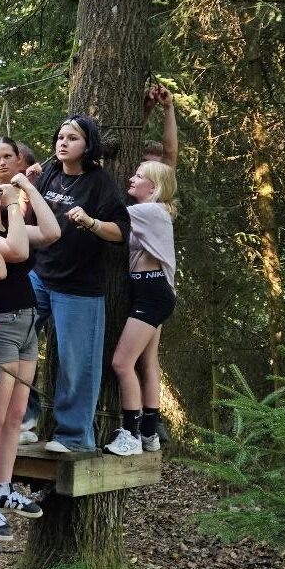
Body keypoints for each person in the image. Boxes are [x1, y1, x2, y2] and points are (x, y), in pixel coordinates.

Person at [30, 115, 131, 453]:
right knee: (14, 341)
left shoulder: (99, 182)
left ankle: (73, 437)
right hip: (40, 275)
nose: (63, 143)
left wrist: (91, 222)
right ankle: (23, 421)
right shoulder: (49, 173)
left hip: (79, 286)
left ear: (88, 145)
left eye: (72, 138)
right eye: (60, 136)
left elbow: (121, 232)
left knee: (77, 363)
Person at [0, 169, 60, 538]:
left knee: (15, 415)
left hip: (26, 323)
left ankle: (2, 488)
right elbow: (19, 253)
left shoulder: (10, 223)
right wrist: (8, 200)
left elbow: (52, 233)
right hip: (0, 325)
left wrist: (24, 187)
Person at [104, 161, 178, 456]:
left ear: (154, 187)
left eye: (138, 176)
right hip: (148, 290)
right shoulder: (148, 214)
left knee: (122, 363)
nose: (131, 179)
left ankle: (131, 435)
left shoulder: (149, 211)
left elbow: (109, 217)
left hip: (152, 292)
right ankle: (149, 431)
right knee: (146, 361)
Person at [142, 84, 178, 168]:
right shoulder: (133, 175)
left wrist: (168, 107)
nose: (147, 168)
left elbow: (170, 152)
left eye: (153, 165)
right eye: (144, 162)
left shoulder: (163, 179)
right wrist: (147, 109)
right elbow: (130, 136)